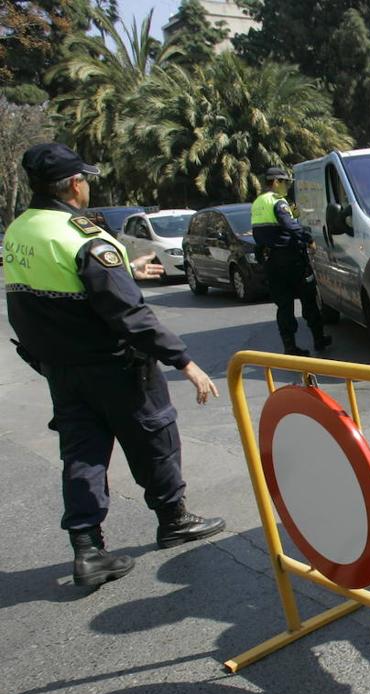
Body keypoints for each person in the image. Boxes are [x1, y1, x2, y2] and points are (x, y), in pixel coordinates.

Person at [4, 142, 226, 588]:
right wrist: (184, 361)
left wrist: (127, 268)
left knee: (82, 453)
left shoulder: (20, 231)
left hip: (62, 370)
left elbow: (63, 291)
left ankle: (87, 548)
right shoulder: (81, 236)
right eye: (83, 179)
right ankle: (173, 519)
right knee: (153, 437)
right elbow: (130, 316)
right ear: (74, 184)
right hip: (116, 366)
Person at [251, 166, 329, 355]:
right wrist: (308, 239)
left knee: (284, 305)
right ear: (276, 182)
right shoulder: (278, 202)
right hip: (292, 260)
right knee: (308, 299)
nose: (287, 187)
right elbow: (290, 226)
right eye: (285, 182)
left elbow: (260, 232)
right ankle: (319, 340)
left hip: (272, 261)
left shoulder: (258, 202)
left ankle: (290, 346)